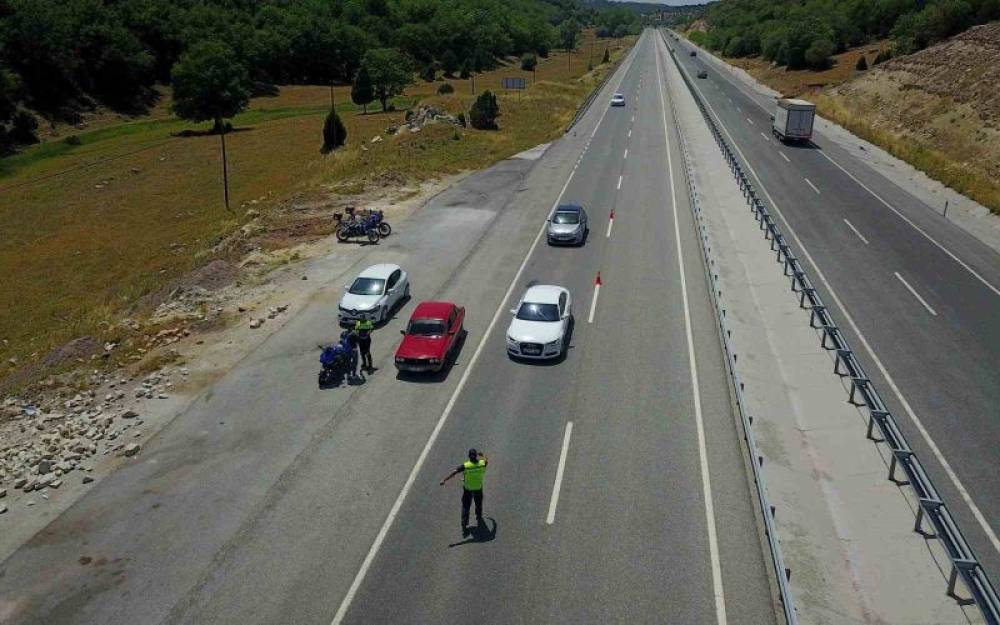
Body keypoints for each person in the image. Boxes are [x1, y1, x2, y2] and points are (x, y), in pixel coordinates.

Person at [440, 449, 488, 536]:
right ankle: (478, 516)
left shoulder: (466, 466)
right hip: (478, 488)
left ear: (469, 456)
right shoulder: (482, 464)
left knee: (466, 506)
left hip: (468, 489)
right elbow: (486, 460)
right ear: (476, 456)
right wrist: (483, 455)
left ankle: (464, 525)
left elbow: (454, 472)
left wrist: (445, 480)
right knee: (478, 503)